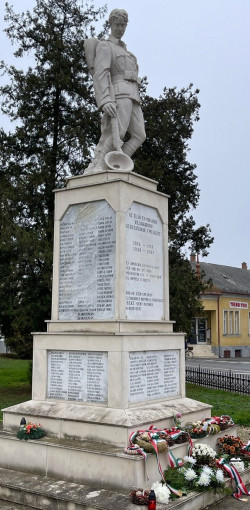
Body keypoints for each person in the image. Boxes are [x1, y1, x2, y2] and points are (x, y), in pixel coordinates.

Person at [84, 9, 146, 173]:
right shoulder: (105, 45)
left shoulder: (129, 53)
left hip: (133, 94)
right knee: (117, 133)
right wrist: (104, 99)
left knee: (140, 135)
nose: (120, 28)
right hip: (118, 94)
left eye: (123, 25)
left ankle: (116, 164)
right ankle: (100, 165)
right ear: (111, 24)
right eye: (117, 25)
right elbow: (101, 73)